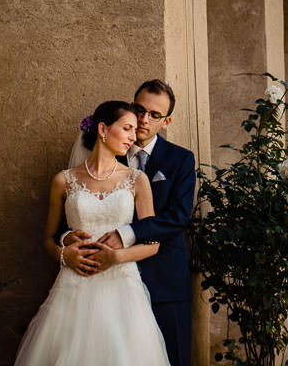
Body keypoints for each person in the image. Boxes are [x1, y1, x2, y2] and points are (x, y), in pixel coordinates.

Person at [14, 100, 171, 366]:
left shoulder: (137, 180)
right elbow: (49, 240)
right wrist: (65, 254)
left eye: (135, 130)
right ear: (102, 129)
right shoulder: (63, 180)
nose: (133, 137)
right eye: (127, 128)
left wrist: (116, 258)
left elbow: (153, 243)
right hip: (74, 283)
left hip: (122, 287)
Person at [64, 79, 196, 366]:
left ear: (167, 121)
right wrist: (67, 243)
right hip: (105, 284)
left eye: (155, 115)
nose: (144, 119)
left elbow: (178, 217)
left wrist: (125, 234)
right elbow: (80, 211)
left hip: (164, 282)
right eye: (139, 109)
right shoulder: (102, 152)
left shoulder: (181, 160)